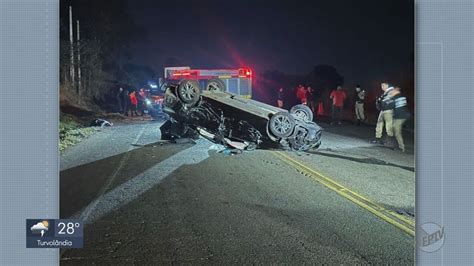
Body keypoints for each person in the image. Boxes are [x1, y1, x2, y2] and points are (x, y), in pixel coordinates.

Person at [385, 87, 411, 152]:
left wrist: (387, 98)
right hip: (398, 116)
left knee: (397, 132)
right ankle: (389, 143)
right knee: (390, 128)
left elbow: (388, 104)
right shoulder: (400, 96)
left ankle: (401, 147)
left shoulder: (397, 97)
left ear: (397, 91)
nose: (392, 92)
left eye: (393, 91)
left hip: (401, 117)